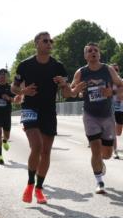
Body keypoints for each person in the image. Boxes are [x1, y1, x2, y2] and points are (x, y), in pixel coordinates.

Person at [12, 32, 85, 203]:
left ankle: (39, 189)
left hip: (49, 111)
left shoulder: (58, 66)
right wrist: (23, 91)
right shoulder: (25, 65)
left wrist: (65, 84)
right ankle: (30, 184)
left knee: (46, 151)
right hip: (30, 108)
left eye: (50, 41)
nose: (49, 43)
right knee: (36, 146)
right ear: (36, 43)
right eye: (45, 41)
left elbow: (67, 94)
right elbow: (14, 87)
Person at [73, 43, 121, 193]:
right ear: (85, 55)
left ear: (99, 54)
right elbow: (71, 91)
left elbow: (121, 87)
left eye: (96, 51)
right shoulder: (81, 72)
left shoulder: (108, 70)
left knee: (106, 155)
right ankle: (99, 182)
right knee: (95, 149)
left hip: (107, 116)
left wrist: (111, 93)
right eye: (89, 51)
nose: (93, 52)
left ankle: (101, 163)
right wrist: (77, 91)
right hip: (90, 115)